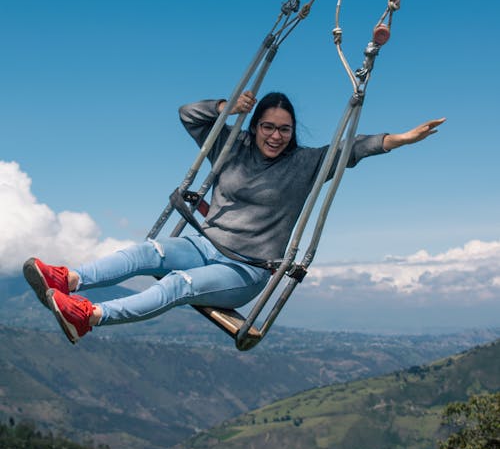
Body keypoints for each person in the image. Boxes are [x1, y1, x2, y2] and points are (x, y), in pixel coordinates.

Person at [23, 91, 445, 344]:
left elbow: (354, 147)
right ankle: (69, 279)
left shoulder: (306, 163)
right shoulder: (234, 145)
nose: (275, 135)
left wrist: (401, 139)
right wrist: (228, 105)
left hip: (245, 270)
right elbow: (190, 113)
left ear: (293, 131)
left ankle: (90, 317)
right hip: (203, 244)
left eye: (284, 128)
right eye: (267, 126)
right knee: (147, 251)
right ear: (256, 125)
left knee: (179, 285)